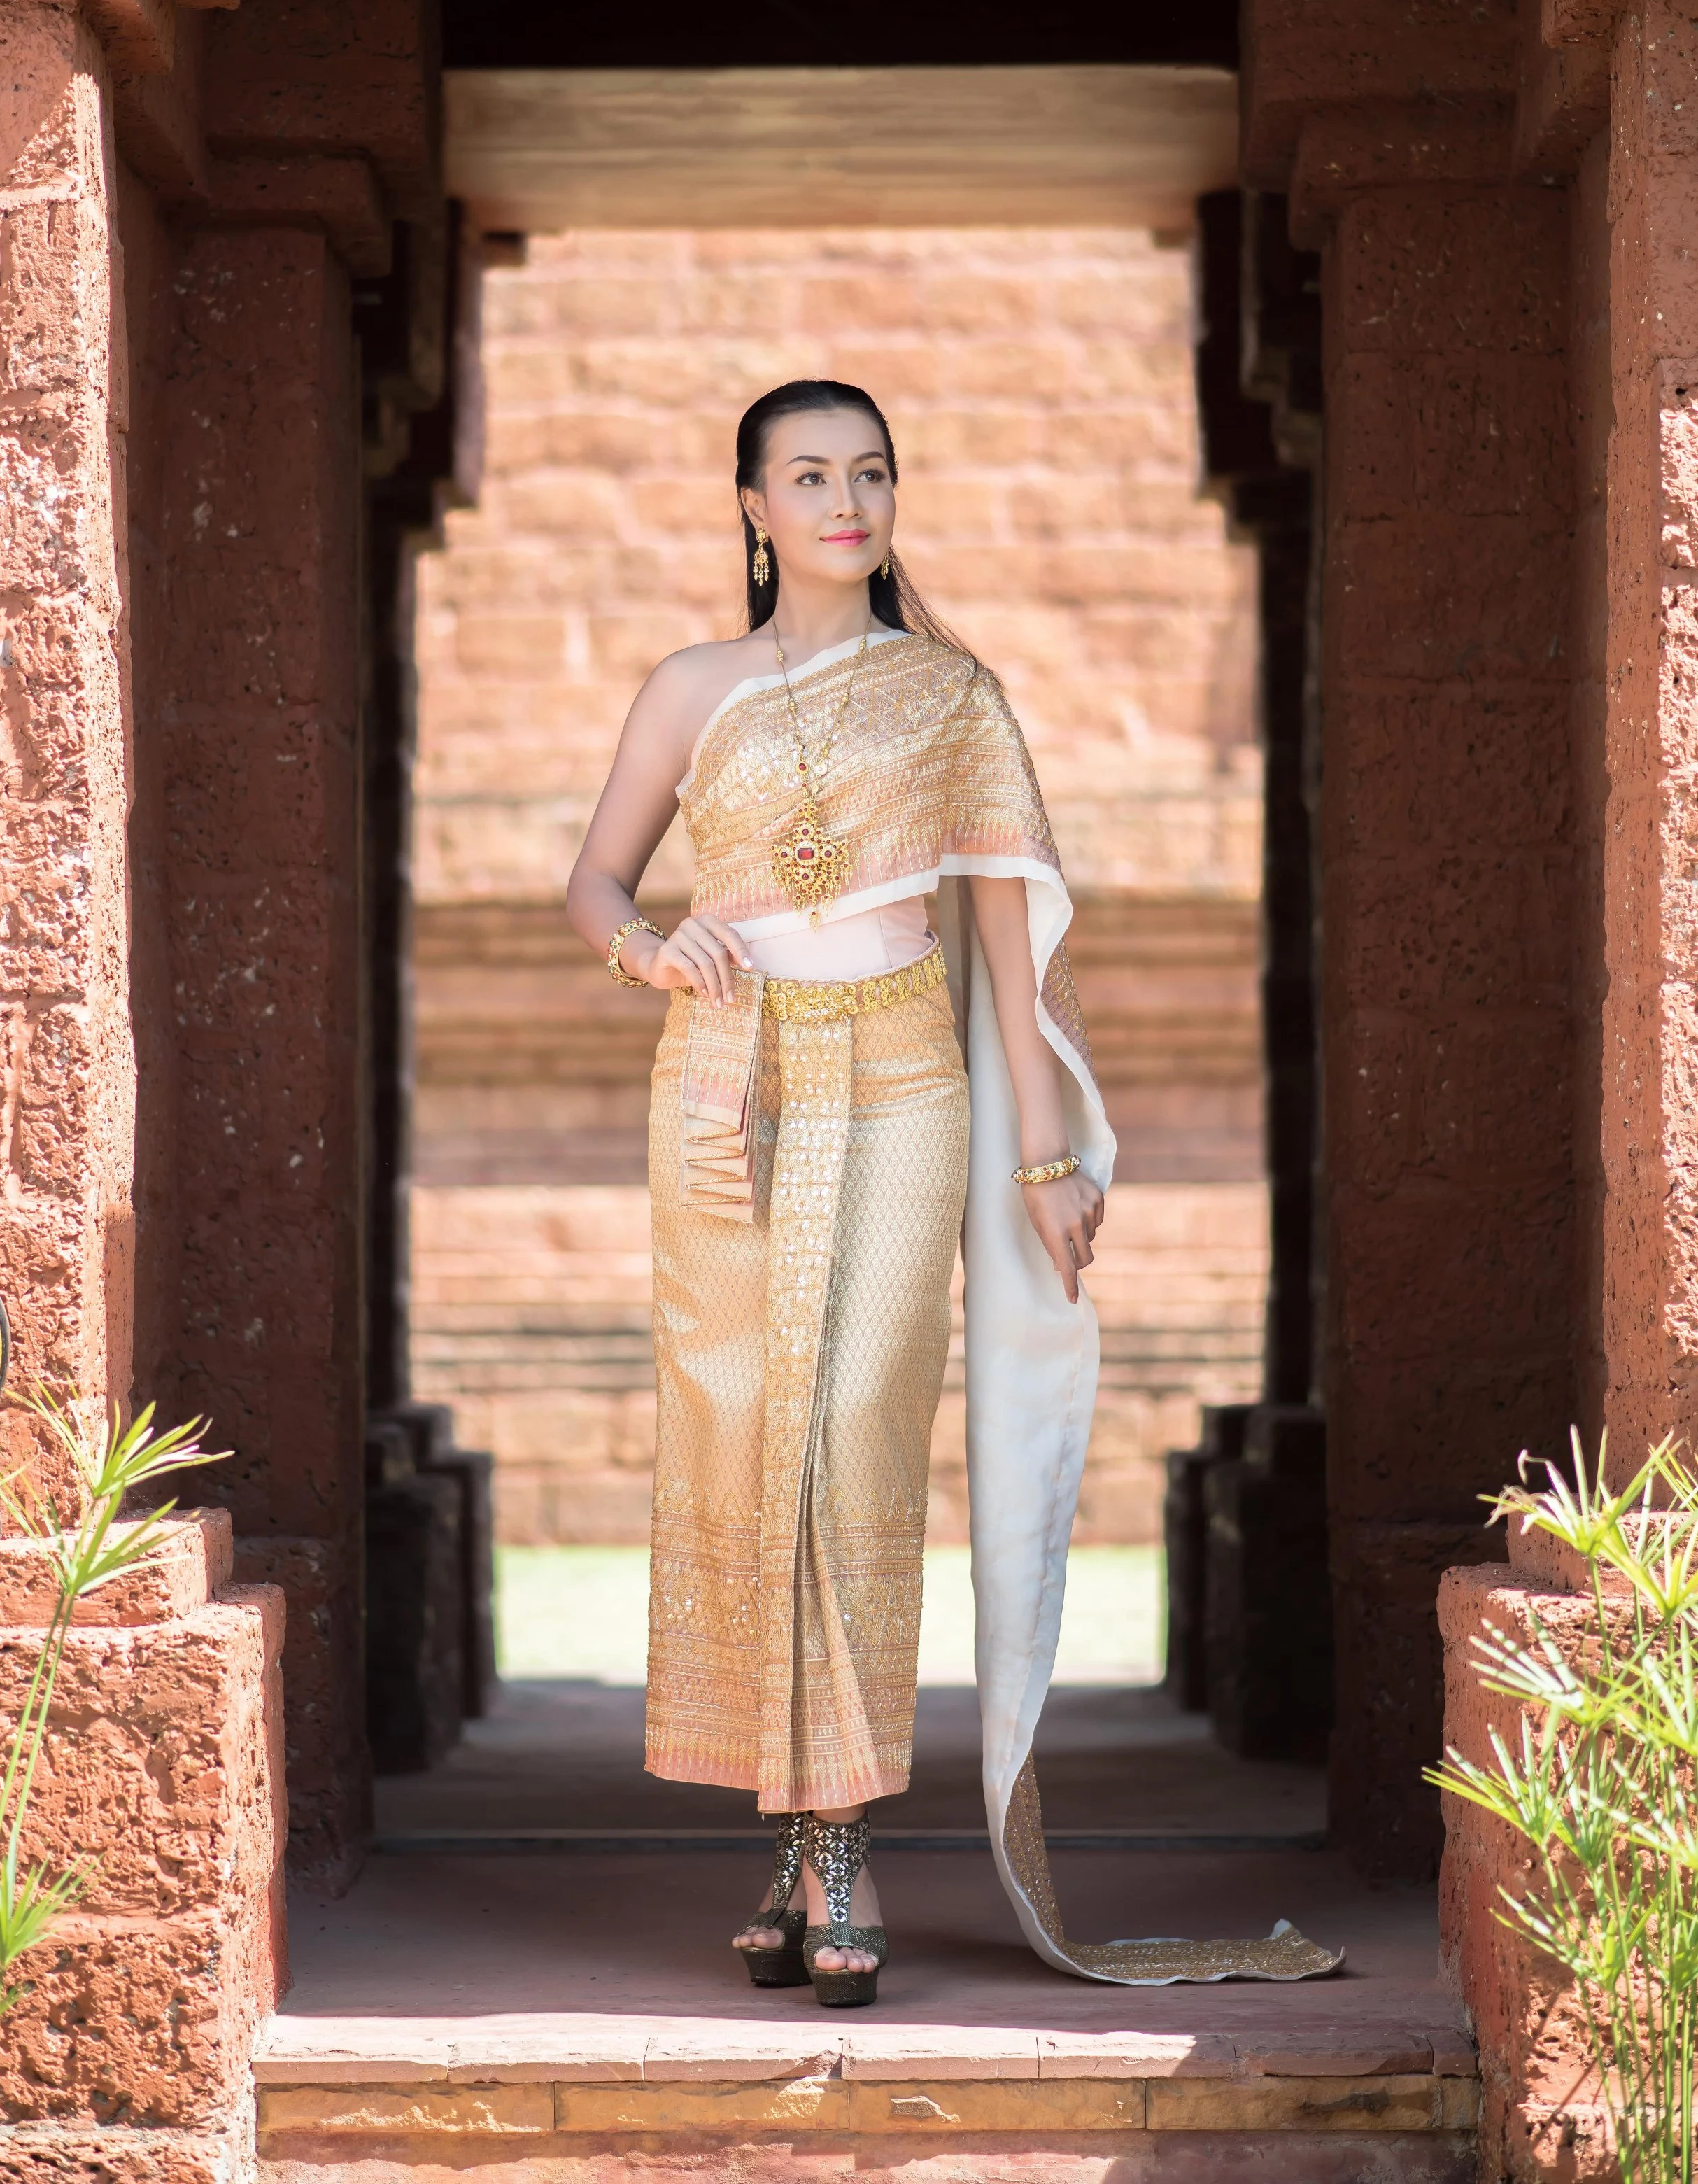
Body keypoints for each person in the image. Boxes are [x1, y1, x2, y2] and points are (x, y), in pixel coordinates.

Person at [568, 379, 1340, 2006]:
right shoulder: (688, 685)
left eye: (868, 471)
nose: (843, 498)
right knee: (744, 1431)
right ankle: (803, 1837)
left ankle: (841, 1844)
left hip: (908, 1076)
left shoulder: (949, 694)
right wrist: (647, 946)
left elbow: (1006, 955)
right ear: (753, 504)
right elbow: (596, 874)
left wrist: (1047, 1155)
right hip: (729, 1083)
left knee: (852, 1424)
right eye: (807, 473)